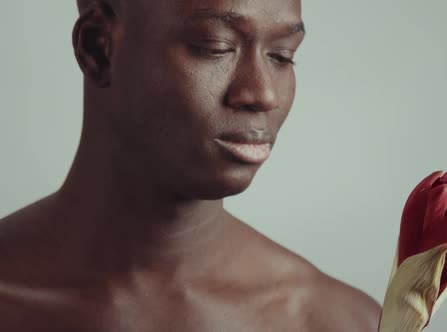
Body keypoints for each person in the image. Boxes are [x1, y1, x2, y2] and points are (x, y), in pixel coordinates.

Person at [0, 0, 382, 330]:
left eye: (281, 56)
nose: (263, 93)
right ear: (98, 48)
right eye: (215, 47)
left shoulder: (341, 323)